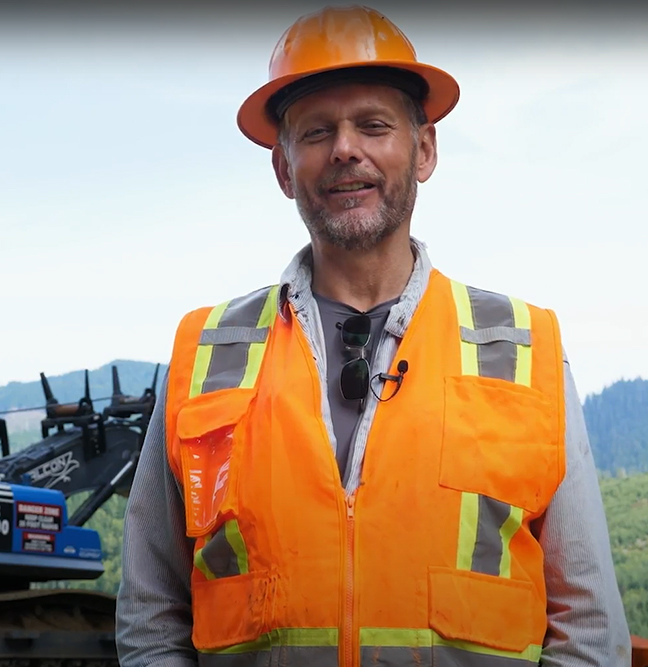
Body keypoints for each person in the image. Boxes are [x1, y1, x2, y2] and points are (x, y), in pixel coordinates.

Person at [115, 5, 632, 666]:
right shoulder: (208, 351)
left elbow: (586, 624)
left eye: (374, 125)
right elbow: (151, 611)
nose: (345, 149)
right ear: (283, 169)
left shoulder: (521, 346)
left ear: (424, 150)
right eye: (316, 132)